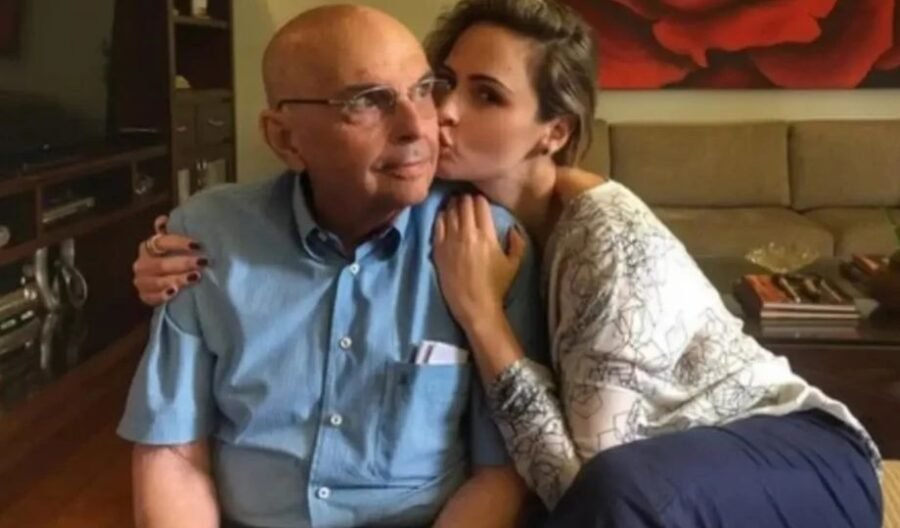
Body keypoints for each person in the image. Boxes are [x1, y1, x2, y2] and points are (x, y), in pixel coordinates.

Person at [134, 0, 883, 527]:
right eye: (442, 83)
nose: (434, 117)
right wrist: (170, 258)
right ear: (285, 137)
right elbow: (174, 446)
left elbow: (574, 483)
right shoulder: (220, 236)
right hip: (651, 474)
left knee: (604, 498)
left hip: (769, 457)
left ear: (551, 132)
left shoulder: (592, 241)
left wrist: (481, 313)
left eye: (483, 95)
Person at [118, 5, 548, 528]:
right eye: (368, 101)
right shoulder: (207, 237)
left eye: (423, 90)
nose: (417, 127)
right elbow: (173, 452)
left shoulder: (488, 245)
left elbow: (499, 473)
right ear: (285, 138)